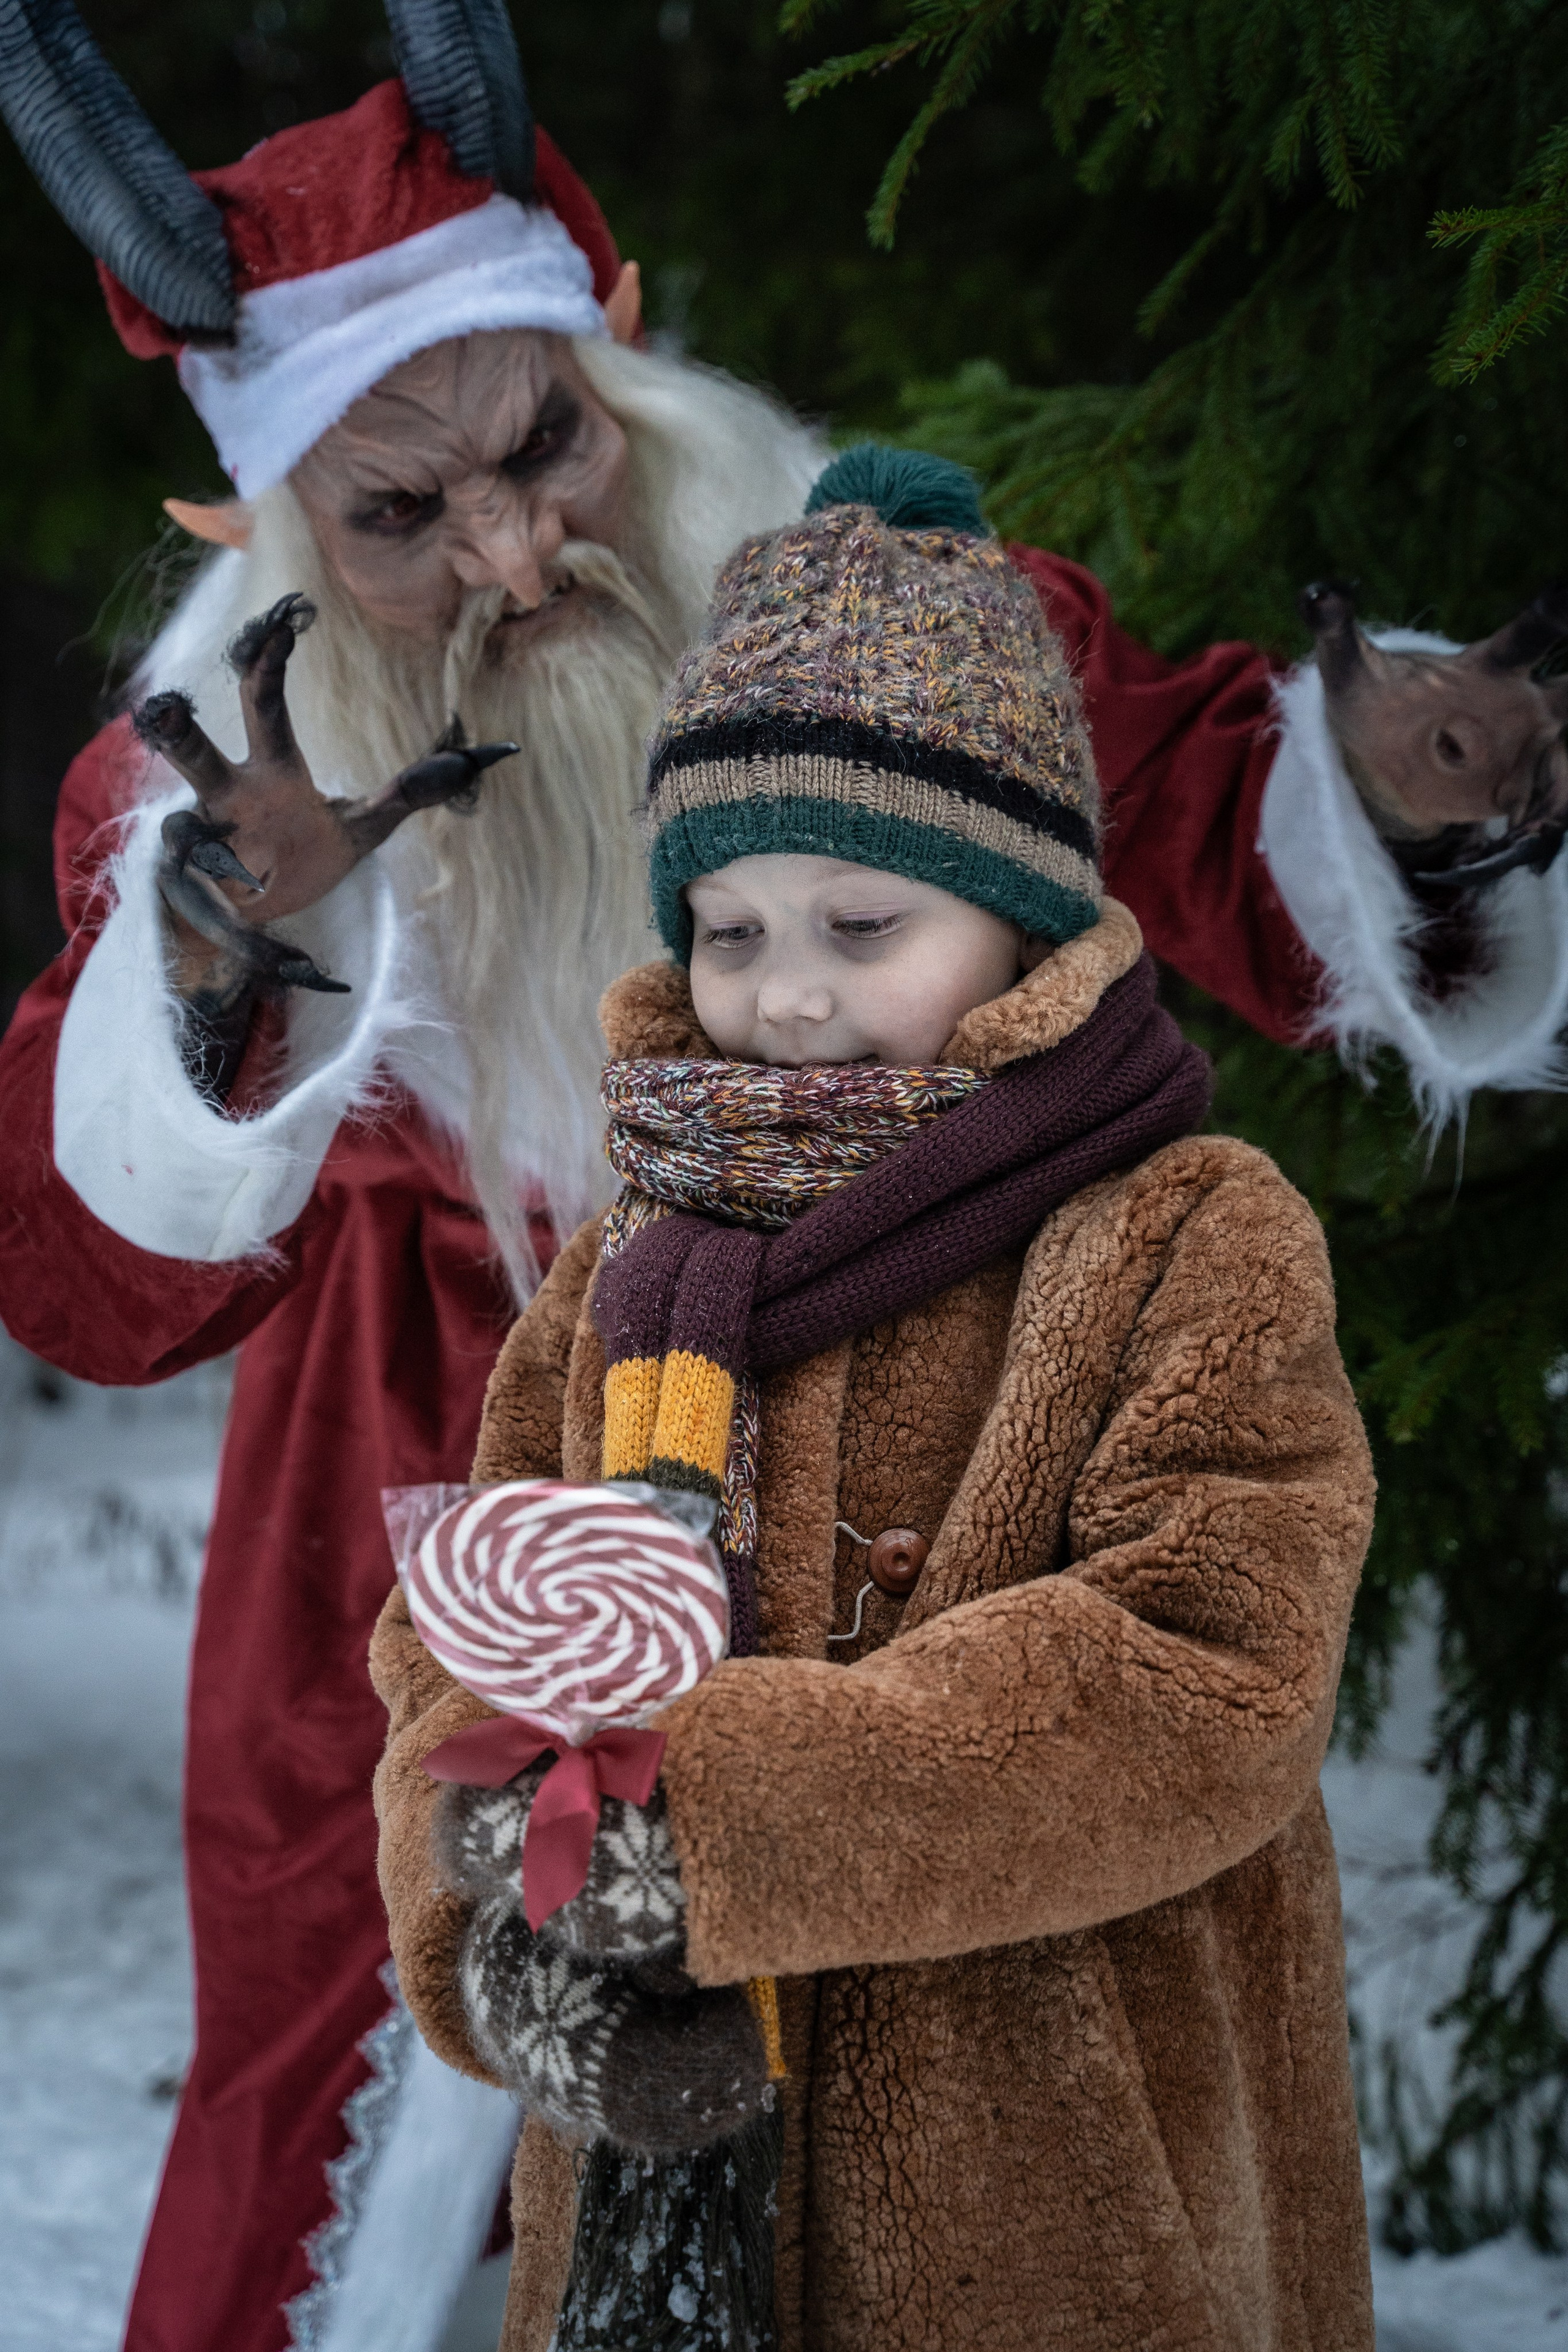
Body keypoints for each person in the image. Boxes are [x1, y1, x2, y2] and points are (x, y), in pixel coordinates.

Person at [0, 8, 1551, 2348]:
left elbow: (1194, 795)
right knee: (364, 2104)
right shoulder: (210, 800)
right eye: (400, 519)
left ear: (615, 351)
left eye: (543, 447)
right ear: (266, 527)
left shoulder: (879, 605)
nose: (517, 551)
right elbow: (91, 1278)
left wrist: (1409, 788)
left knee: (947, 2096)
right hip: (432, 1472)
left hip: (934, 1412)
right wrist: (240, 966)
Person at [371, 447, 1378, 2352]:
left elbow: (1209, 1668)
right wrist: (504, 1911)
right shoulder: (630, 1260)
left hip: (1068, 2197)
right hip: (660, 2211)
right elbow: (461, 1630)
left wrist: (714, 1819)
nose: (788, 999)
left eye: (862, 927)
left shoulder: (1181, 1233)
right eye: (731, 930)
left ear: (1022, 924)